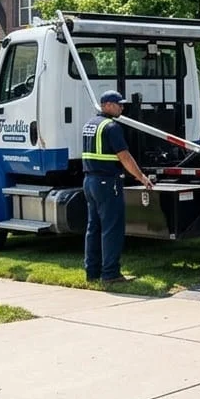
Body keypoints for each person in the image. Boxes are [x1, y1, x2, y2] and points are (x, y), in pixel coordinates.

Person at [82, 90, 153, 286]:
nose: (121, 107)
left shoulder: (89, 124)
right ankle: (111, 274)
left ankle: (92, 273)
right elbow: (125, 157)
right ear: (106, 105)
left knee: (93, 228)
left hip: (89, 181)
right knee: (111, 229)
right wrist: (141, 177)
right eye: (117, 104)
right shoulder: (112, 127)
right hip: (107, 182)